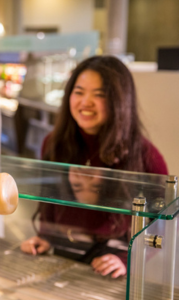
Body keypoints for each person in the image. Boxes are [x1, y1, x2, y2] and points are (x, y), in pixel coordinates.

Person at [20, 55, 168, 278]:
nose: (85, 102)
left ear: (120, 101)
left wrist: (127, 260)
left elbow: (162, 224)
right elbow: (48, 198)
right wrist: (45, 237)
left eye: (99, 95)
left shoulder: (145, 155)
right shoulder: (54, 143)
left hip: (112, 261)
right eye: (78, 92)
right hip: (63, 250)